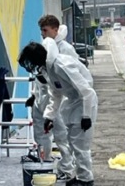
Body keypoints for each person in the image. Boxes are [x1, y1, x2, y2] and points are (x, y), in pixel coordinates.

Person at [19, 37, 98, 186]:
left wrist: (86, 115)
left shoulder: (61, 65)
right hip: (74, 103)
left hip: (84, 102)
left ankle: (86, 180)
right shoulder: (49, 69)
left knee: (81, 145)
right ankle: (81, 176)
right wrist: (49, 116)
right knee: (73, 143)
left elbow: (86, 91)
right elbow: (56, 93)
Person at [29, 15, 80, 180]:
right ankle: (44, 161)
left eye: (45, 30)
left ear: (55, 30)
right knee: (41, 133)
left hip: (58, 98)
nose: (43, 34)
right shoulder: (45, 48)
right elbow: (38, 74)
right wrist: (33, 95)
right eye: (41, 30)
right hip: (42, 97)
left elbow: (73, 76)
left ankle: (67, 168)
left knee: (61, 136)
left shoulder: (65, 48)